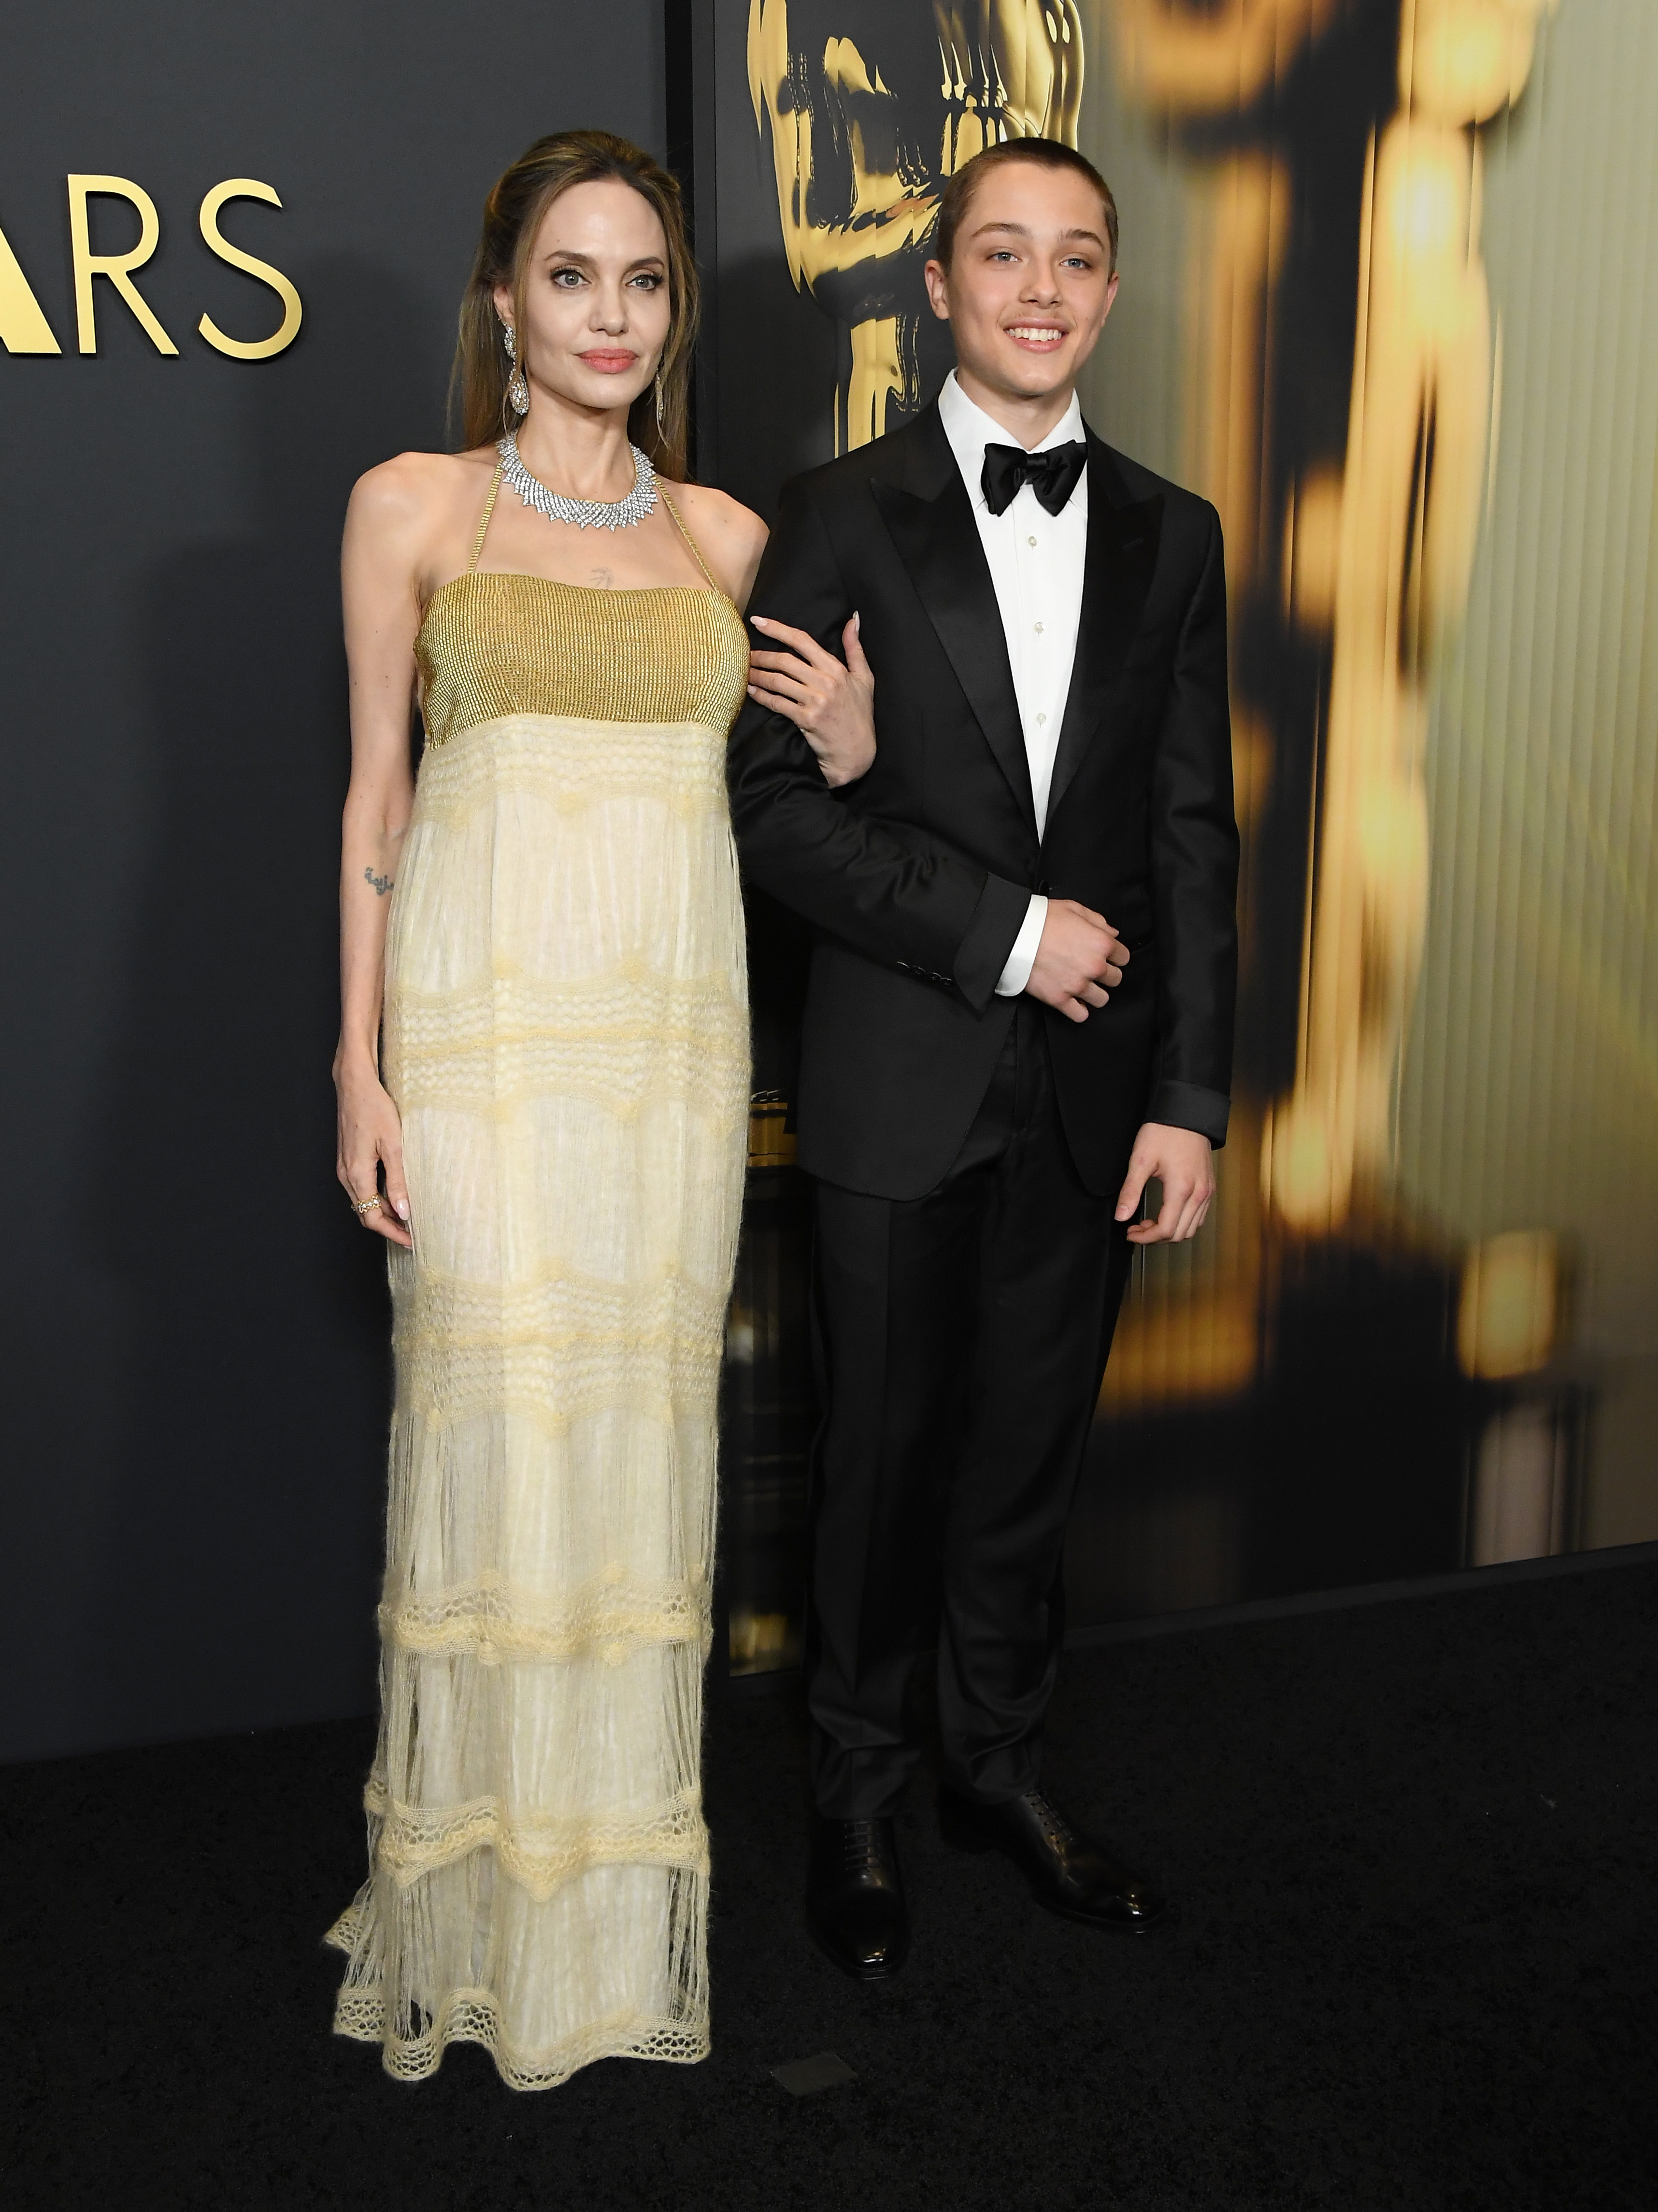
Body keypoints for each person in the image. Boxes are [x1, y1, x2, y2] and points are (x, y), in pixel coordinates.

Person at [325, 130, 851, 2091]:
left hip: (664, 1055)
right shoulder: (415, 505)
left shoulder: (723, 541)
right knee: (492, 1439)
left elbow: (825, 796)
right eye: (573, 277)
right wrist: (356, 1062)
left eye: (643, 281)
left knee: (634, 1458)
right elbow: (377, 803)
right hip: (478, 1038)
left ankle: (609, 1931)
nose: (612, 315)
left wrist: (856, 735)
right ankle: (478, 1910)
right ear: (505, 303)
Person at [729, 137, 1238, 1977]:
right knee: (879, 1461)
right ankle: (858, 1795)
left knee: (1030, 1454)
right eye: (1002, 254)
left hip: (1099, 1094)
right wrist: (1012, 934)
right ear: (935, 286)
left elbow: (1195, 842)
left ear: (1110, 291)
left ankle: (995, 1768)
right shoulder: (838, 507)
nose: (1040, 287)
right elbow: (774, 810)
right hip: (898, 1073)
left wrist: (1193, 1093)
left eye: (1077, 257)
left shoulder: (1177, 533)